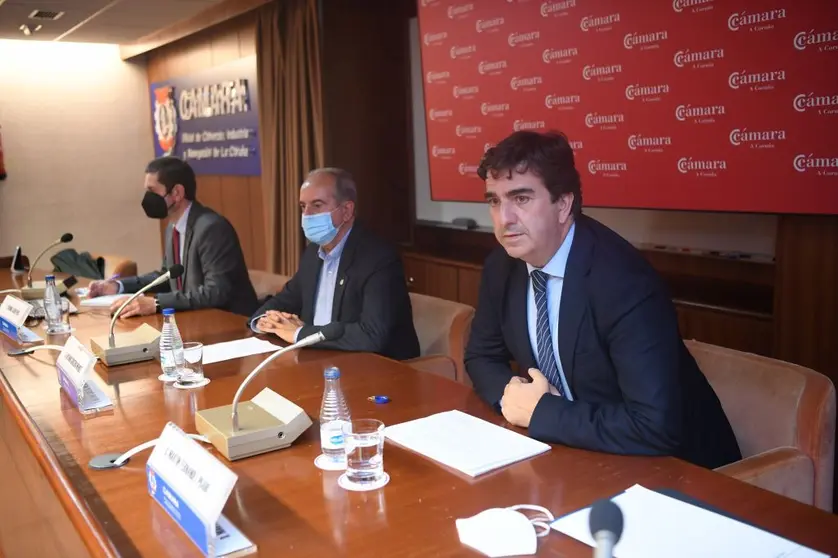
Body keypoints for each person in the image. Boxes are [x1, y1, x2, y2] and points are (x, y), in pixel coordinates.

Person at [464, 130, 741, 469]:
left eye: (521, 199)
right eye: (494, 200)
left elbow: (654, 426)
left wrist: (542, 413)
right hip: (575, 453)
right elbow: (481, 355)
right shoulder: (502, 267)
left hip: (680, 472)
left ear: (563, 204)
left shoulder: (623, 281)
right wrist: (515, 399)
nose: (503, 218)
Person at [249, 168, 420, 360]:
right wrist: (266, 320)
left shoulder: (378, 258)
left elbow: (372, 335)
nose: (307, 214)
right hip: (320, 360)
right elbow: (289, 298)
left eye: (317, 205)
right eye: (303, 206)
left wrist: (299, 334)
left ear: (346, 210)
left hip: (378, 369)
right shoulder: (314, 252)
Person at [88, 156, 258, 317]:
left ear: (177, 192)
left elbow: (216, 292)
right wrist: (117, 286)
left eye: (152, 191)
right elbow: (166, 277)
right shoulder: (173, 227)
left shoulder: (212, 228)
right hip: (197, 318)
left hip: (232, 322)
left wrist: (156, 303)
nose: (147, 198)